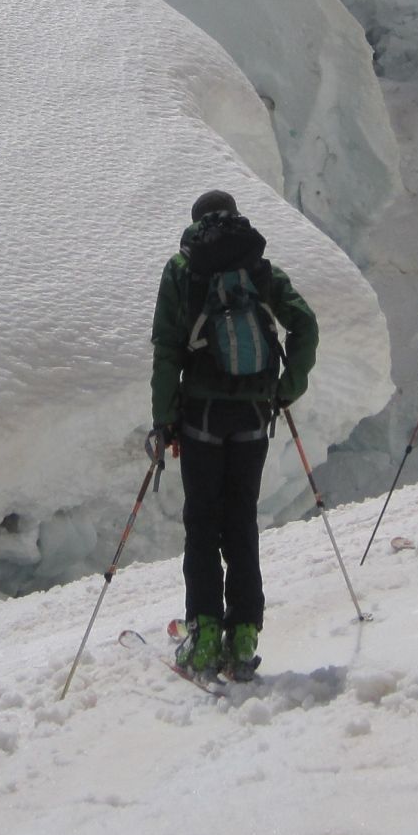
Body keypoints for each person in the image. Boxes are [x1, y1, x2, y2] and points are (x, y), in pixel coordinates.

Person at [150, 190, 318, 681]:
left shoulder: (183, 271)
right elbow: (304, 324)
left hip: (201, 417)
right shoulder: (260, 270)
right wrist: (287, 389)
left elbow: (167, 350)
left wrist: (164, 420)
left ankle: (203, 637)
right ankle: (243, 635)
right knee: (240, 520)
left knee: (203, 523)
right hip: (253, 413)